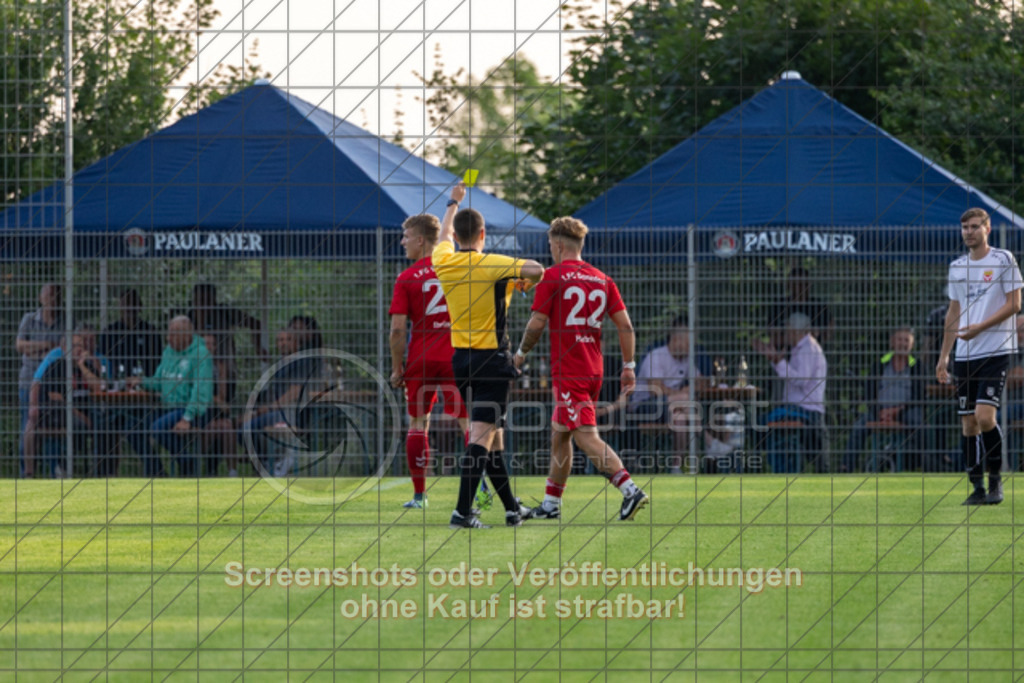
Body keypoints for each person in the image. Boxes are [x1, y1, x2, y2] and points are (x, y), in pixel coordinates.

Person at [513, 216, 646, 521]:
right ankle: (551, 504)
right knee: (560, 435)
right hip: (593, 367)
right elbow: (625, 326)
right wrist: (628, 367)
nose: (550, 249)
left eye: (550, 245)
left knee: (584, 435)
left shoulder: (553, 277)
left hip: (569, 369)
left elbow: (536, 324)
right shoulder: (602, 278)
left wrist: (520, 353)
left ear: (558, 245)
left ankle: (630, 490)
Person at [432, 181, 545, 529]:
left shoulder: (444, 261)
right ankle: (461, 512)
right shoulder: (495, 264)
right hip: (493, 362)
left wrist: (453, 202)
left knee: (493, 437)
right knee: (482, 437)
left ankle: (512, 509)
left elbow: (442, 240)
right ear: (482, 233)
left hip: (461, 362)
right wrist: (526, 283)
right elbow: (537, 269)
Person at [937, 208, 1022, 505]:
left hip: (996, 350)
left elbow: (1014, 305)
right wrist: (944, 356)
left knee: (985, 417)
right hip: (965, 354)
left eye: (974, 227)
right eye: (964, 228)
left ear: (987, 229)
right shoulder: (957, 266)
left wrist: (979, 328)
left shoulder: (1003, 260)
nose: (969, 232)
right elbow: (954, 312)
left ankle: (996, 480)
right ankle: (977, 487)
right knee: (968, 424)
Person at [389, 213, 469, 509]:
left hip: (421, 359)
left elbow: (397, 330)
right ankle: (480, 488)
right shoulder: (457, 269)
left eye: (407, 237)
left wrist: (397, 367)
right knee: (467, 424)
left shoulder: (407, 277)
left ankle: (420, 496)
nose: (403, 242)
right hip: (456, 356)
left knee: (417, 424)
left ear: (420, 240)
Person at [125, 316, 213, 477]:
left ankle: (186, 461)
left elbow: (201, 391)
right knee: (132, 427)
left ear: (186, 335)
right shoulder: (168, 352)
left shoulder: (201, 354)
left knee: (158, 428)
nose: (168, 338)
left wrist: (187, 418)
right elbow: (159, 382)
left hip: (191, 410)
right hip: (167, 408)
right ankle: (158, 473)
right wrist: (141, 381)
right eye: (169, 333)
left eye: (173, 334)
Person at [238, 328, 324, 476]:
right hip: (277, 412)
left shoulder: (301, 362)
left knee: (248, 428)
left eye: (288, 339)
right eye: (280, 340)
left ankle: (272, 463)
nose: (283, 343)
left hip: (293, 414)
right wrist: (255, 410)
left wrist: (268, 408)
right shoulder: (279, 365)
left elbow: (295, 392)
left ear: (296, 343)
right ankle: (267, 462)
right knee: (242, 428)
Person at [752, 312, 829, 472]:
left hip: (805, 410)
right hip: (797, 409)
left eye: (787, 329)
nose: (785, 334)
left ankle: (775, 470)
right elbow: (790, 373)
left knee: (760, 423)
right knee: (762, 423)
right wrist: (774, 359)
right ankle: (780, 468)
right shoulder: (800, 348)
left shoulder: (808, 348)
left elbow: (801, 379)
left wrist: (778, 360)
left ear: (795, 330)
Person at [842, 327, 925, 472]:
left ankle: (916, 465)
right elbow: (869, 393)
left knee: (918, 423)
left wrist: (897, 411)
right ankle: (846, 468)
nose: (903, 344)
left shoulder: (917, 366)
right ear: (892, 342)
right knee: (858, 427)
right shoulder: (879, 364)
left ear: (912, 344)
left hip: (906, 411)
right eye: (900, 339)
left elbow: (919, 397)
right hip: (879, 411)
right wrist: (880, 411)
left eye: (907, 340)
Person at [16, 284, 66, 472]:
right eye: (49, 296)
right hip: (28, 382)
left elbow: (65, 349)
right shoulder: (29, 319)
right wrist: (47, 345)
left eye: (56, 296)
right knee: (28, 425)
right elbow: (20, 346)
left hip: (54, 386)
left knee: (53, 429)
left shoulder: (66, 321)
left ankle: (54, 473)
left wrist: (38, 351)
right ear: (41, 298)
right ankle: (26, 475)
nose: (53, 300)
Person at [187, 283, 268, 365]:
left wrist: (258, 347)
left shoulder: (224, 311)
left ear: (214, 300)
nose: (203, 305)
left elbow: (255, 323)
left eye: (206, 301)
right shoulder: (190, 315)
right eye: (200, 301)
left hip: (224, 364)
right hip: (197, 365)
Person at [767, 266, 834, 348]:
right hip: (786, 356)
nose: (799, 287)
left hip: (812, 354)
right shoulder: (780, 305)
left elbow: (829, 328)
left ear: (808, 284)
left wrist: (817, 338)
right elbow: (772, 331)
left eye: (802, 283)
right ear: (789, 285)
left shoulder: (818, 305)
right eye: (795, 283)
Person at [201, 331, 238, 476]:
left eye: (212, 344)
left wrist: (216, 399)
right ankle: (206, 468)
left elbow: (223, 396)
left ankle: (232, 472)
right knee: (213, 427)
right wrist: (215, 399)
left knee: (227, 426)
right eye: (205, 344)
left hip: (216, 413)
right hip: (201, 412)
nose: (209, 347)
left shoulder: (219, 366)